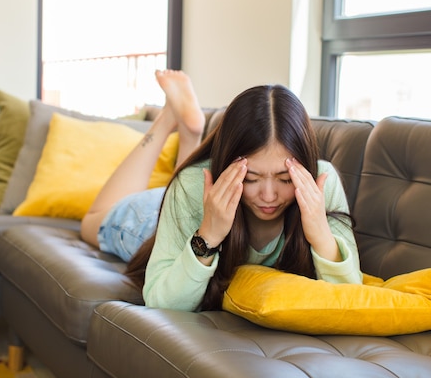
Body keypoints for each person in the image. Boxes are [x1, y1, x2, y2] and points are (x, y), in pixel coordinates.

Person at [81, 69, 362, 312]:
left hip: (187, 204)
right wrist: (209, 235)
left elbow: (352, 297)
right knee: (90, 222)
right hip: (154, 221)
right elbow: (161, 302)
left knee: (185, 184)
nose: (268, 196)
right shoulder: (192, 186)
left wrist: (320, 233)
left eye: (285, 180)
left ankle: (189, 133)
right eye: (250, 178)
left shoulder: (321, 183)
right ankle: (168, 119)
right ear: (226, 165)